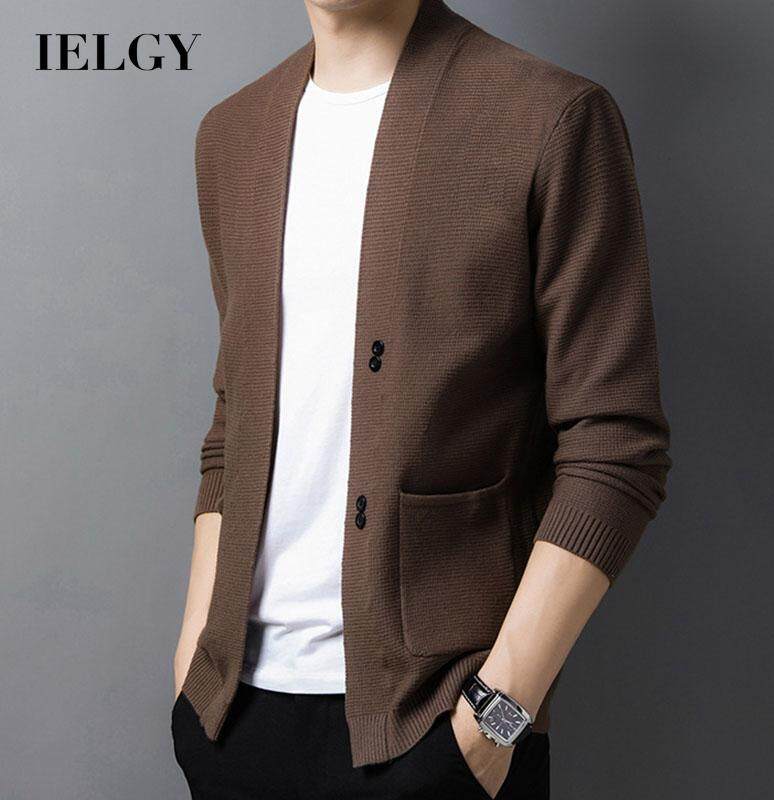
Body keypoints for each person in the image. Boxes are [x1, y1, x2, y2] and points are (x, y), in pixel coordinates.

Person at [170, 1, 672, 797]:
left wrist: (497, 717)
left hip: (439, 723)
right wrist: (194, 659)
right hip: (235, 721)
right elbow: (234, 425)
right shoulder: (231, 136)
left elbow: (615, 445)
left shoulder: (548, 117)